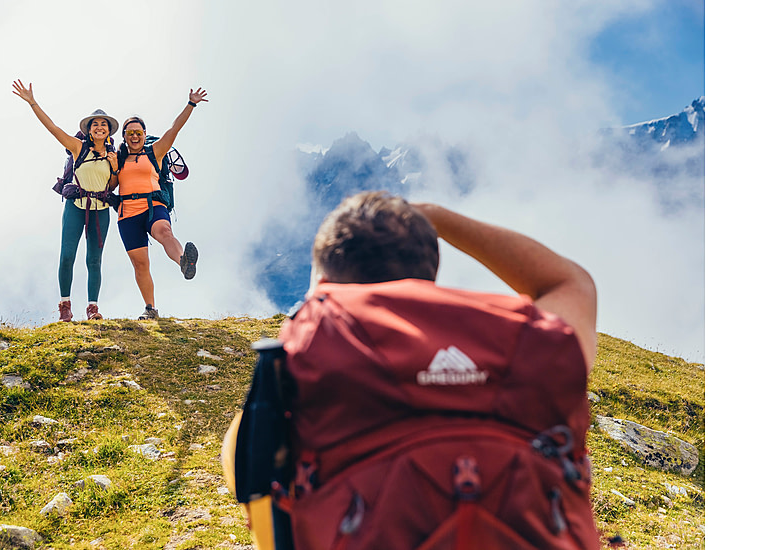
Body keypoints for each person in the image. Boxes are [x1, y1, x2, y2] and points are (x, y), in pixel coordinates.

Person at [224, 191, 600, 549]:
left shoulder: (307, 357)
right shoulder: (528, 346)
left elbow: (249, 481)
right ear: (429, 276)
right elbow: (571, 283)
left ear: (322, 284)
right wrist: (436, 217)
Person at [12, 80, 119, 322]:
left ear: (109, 131)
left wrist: (114, 168)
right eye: (96, 124)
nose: (100, 127)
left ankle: (93, 309)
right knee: (67, 255)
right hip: (76, 207)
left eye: (104, 124)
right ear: (89, 130)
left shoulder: (114, 155)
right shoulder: (78, 147)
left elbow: (112, 187)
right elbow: (52, 128)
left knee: (94, 259)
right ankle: (65, 306)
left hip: (101, 210)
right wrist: (33, 102)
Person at [112, 88, 207, 320]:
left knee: (164, 231)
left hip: (153, 204)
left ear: (145, 134)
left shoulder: (156, 151)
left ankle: (184, 261)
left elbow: (174, 129)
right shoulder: (118, 158)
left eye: (138, 132)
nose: (134, 136)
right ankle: (151, 308)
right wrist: (113, 164)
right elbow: (111, 184)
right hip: (127, 213)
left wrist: (190, 104)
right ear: (124, 136)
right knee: (140, 264)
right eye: (130, 132)